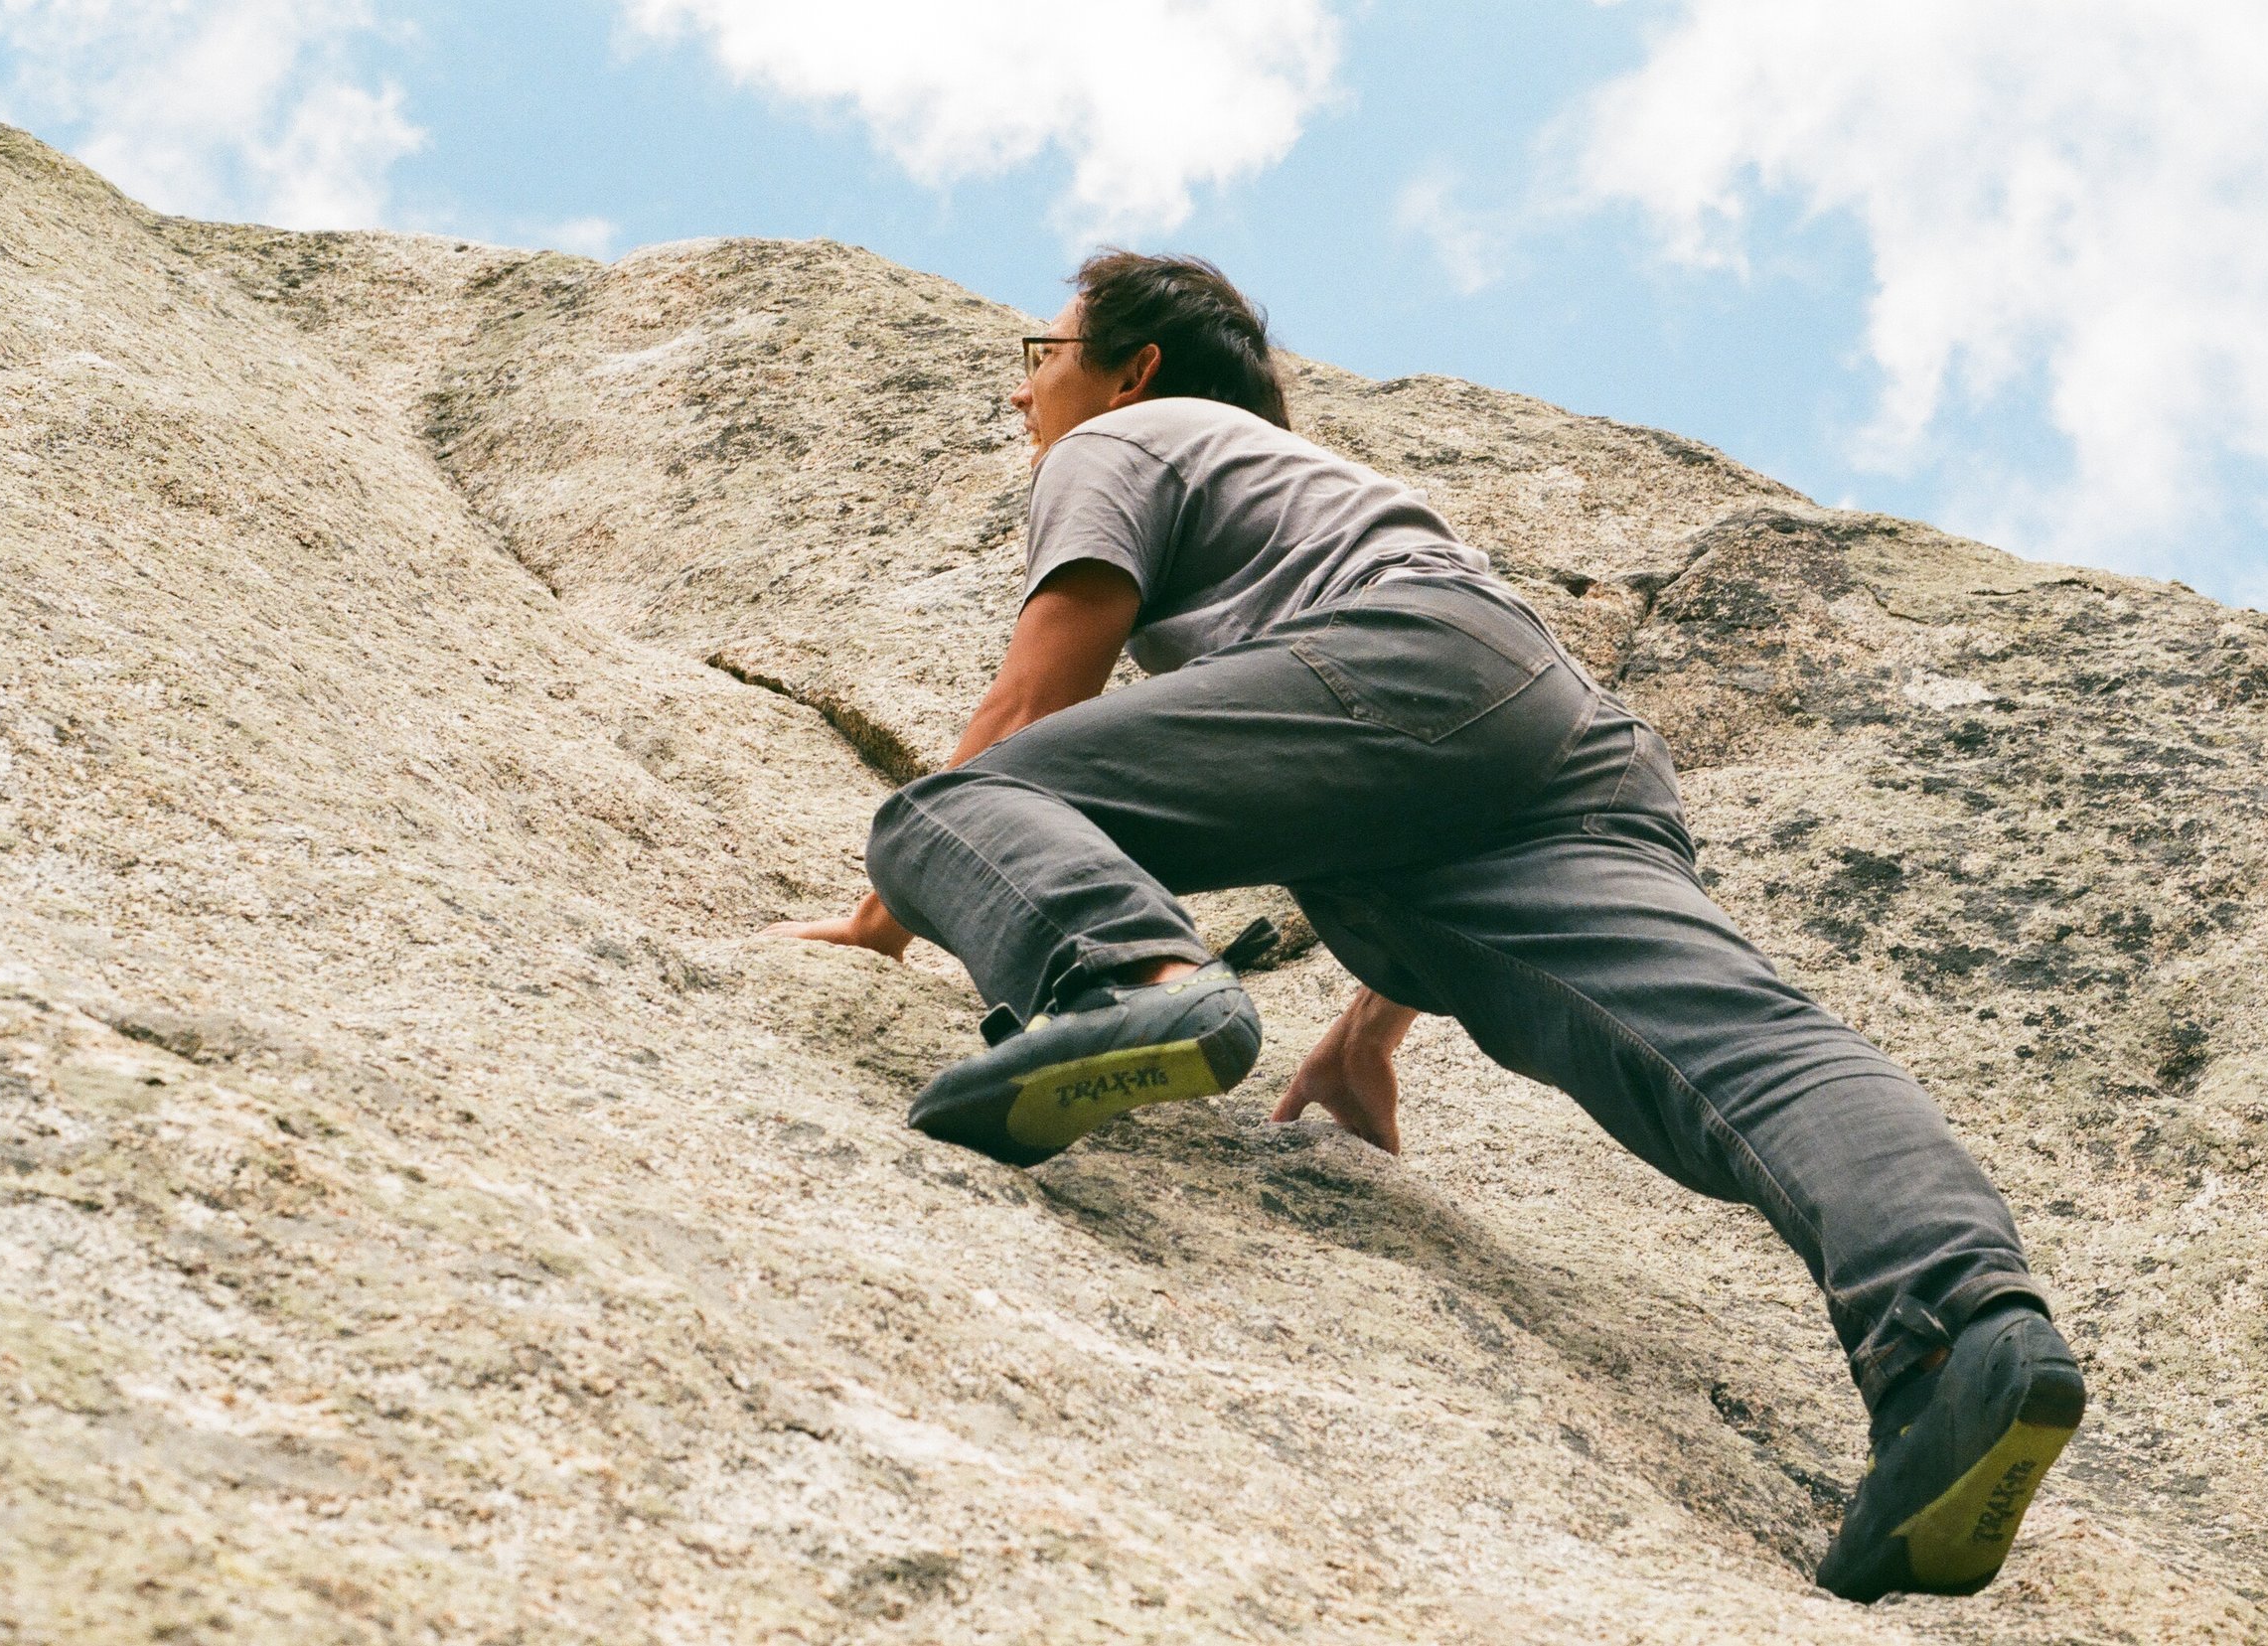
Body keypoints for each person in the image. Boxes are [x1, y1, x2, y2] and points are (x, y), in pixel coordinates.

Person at [772, 249, 2085, 1603]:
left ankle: (1135, 978)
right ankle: (1963, 1341)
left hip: (1405, 664)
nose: (1020, 391)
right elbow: (1398, 778)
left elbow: (1036, 700)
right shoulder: (1303, 498)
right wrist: (1365, 1024)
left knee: (946, 805)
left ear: (1131, 368)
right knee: (1747, 1053)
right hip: (1549, 733)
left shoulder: (1124, 439)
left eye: (1039, 354)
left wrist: (895, 906)